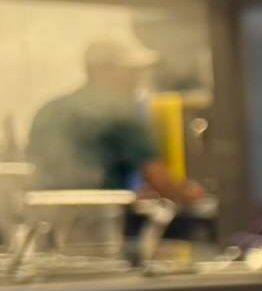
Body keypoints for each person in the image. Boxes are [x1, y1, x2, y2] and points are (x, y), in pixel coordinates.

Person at [25, 37, 204, 203]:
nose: (137, 79)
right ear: (102, 70)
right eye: (130, 71)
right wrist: (190, 194)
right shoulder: (119, 111)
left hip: (49, 217)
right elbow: (158, 179)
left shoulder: (49, 110)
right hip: (101, 219)